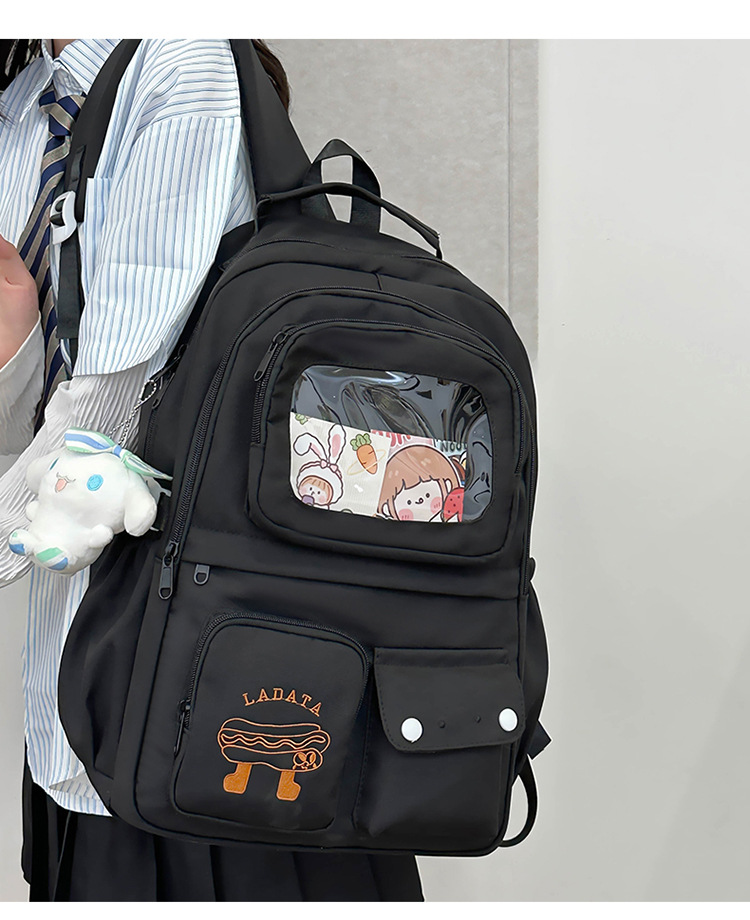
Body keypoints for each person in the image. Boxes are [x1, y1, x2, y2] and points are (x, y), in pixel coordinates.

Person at [0, 38, 423, 902]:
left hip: (219, 695)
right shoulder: (21, 99)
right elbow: (41, 414)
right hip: (80, 699)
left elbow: (108, 421)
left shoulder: (181, 57)